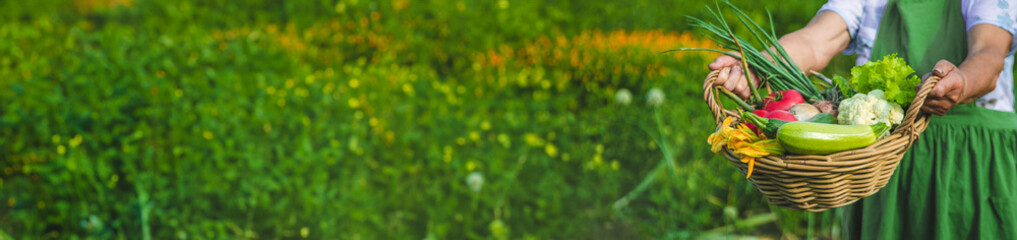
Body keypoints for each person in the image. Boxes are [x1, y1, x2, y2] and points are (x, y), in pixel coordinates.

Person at [707, 0, 1017, 238]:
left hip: (970, 160)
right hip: (880, 164)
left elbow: (989, 54)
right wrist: (761, 65)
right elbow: (816, 41)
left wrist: (962, 80)